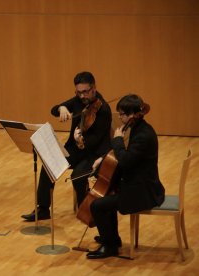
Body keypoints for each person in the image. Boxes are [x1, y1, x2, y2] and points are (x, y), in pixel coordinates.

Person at [22, 71, 112, 221]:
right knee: (49, 164)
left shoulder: (103, 110)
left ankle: (87, 209)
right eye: (79, 92)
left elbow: (96, 140)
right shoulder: (78, 101)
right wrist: (61, 108)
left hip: (94, 153)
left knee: (77, 175)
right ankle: (43, 208)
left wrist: (80, 140)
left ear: (94, 89)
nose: (82, 96)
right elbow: (54, 109)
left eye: (85, 92)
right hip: (75, 149)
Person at [86, 94, 165, 259]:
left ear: (133, 114)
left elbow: (126, 160)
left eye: (122, 114)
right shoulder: (139, 128)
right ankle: (112, 238)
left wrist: (117, 140)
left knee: (97, 206)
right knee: (107, 196)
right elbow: (127, 159)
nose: (120, 117)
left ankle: (110, 246)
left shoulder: (143, 135)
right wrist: (103, 160)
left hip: (142, 192)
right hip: (138, 183)